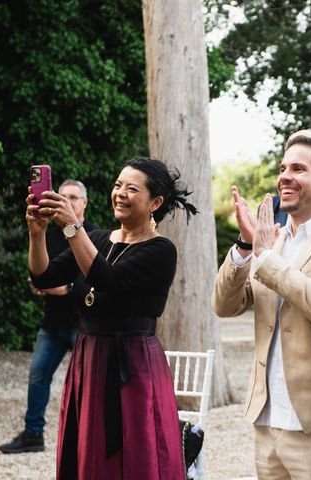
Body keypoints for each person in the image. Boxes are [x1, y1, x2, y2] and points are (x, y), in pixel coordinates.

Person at [26, 157, 197, 478]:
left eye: (132, 188)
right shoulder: (99, 239)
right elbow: (44, 276)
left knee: (135, 451)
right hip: (89, 357)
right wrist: (37, 233)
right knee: (88, 449)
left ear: (155, 202)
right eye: (118, 185)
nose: (120, 193)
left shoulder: (161, 250)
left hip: (132, 364)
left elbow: (109, 279)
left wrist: (72, 227)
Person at [212, 133, 311, 480]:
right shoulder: (272, 240)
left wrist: (264, 257)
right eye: (283, 168)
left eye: (298, 169)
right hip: (267, 417)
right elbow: (224, 305)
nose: (285, 176)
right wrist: (245, 246)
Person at [0, 180, 95, 454]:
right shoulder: (48, 234)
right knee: (37, 375)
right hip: (53, 323)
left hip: (83, 325)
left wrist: (64, 288)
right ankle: (33, 434)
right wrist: (39, 283)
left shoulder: (93, 235)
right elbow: (41, 272)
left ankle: (86, 439)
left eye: (74, 197)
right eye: (63, 196)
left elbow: (95, 279)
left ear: (84, 202)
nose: (68, 201)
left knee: (87, 384)